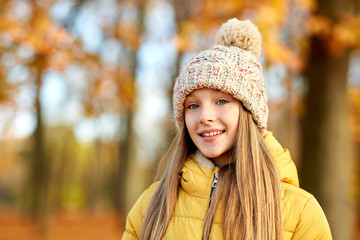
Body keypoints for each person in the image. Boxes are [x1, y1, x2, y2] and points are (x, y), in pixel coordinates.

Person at [122, 19, 332, 240]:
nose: (205, 117)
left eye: (221, 101)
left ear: (249, 112)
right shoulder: (151, 205)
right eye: (193, 105)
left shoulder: (300, 212)